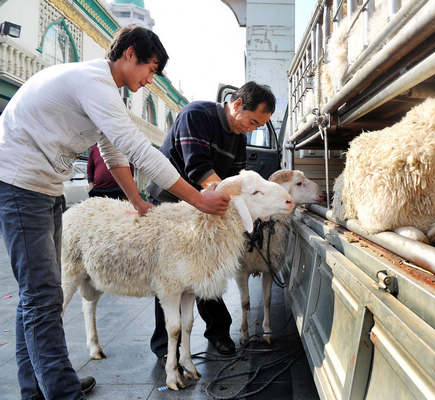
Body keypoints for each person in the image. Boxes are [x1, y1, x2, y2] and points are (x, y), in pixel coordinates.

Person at [0, 26, 230, 400]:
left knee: (36, 298)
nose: (149, 79)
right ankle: (62, 392)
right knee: (42, 297)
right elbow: (139, 150)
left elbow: (113, 153)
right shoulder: (95, 84)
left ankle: (38, 390)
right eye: (150, 69)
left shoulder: (104, 92)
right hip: (21, 184)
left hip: (44, 186)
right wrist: (198, 200)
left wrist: (136, 200)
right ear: (128, 56)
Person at [146, 81, 275, 358]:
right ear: (237, 104)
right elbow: (199, 169)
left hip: (206, 203)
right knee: (171, 274)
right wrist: (239, 205)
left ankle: (218, 332)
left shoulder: (239, 137)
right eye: (252, 121)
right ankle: (165, 344)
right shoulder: (196, 115)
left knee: (207, 268)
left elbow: (239, 180)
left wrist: (251, 205)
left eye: (257, 127)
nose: (251, 129)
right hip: (172, 202)